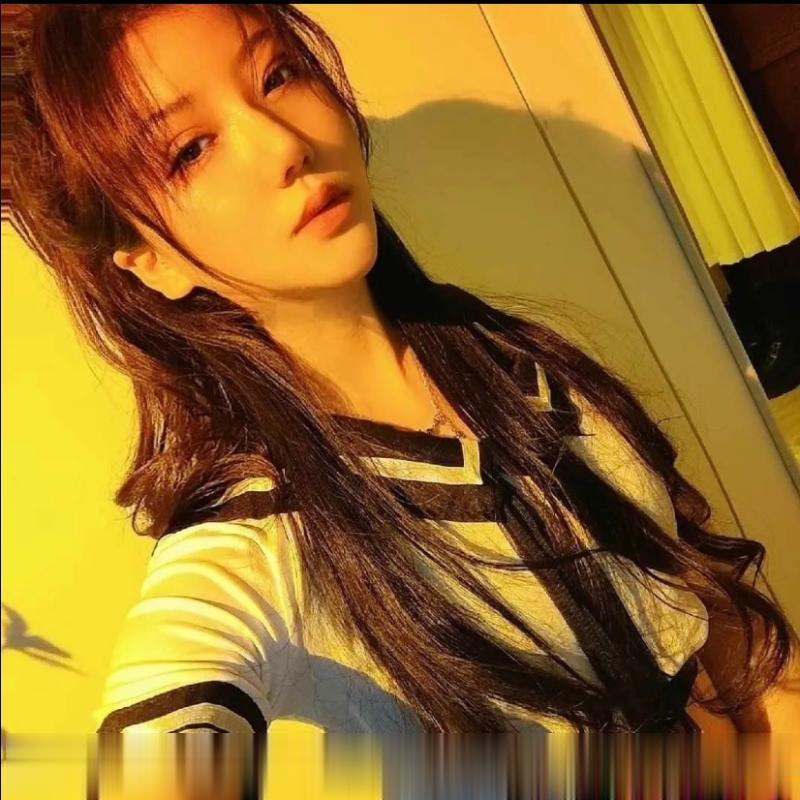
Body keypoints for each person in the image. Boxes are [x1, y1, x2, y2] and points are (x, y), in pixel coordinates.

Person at [5, 3, 798, 796]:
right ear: (151, 262)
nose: (284, 144)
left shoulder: (519, 365)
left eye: (277, 75)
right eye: (189, 150)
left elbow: (724, 630)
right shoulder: (257, 539)